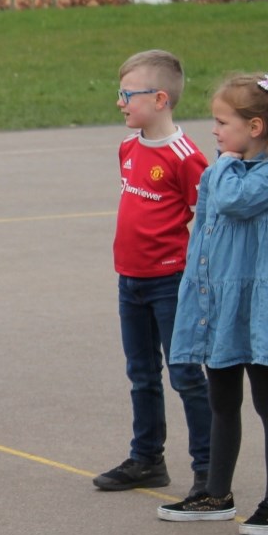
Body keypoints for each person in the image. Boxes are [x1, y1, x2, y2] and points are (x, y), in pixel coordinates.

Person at [158, 72, 268, 535]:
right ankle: (216, 493)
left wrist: (223, 162)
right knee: (223, 401)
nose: (216, 131)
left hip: (253, 306)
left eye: (223, 122)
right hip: (216, 302)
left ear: (254, 128)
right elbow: (203, 225)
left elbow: (233, 201)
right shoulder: (219, 169)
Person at [94, 50, 212, 493]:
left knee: (184, 374)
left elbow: (207, 222)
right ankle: (147, 458)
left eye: (128, 94)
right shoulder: (127, 146)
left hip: (170, 282)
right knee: (141, 373)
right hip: (131, 279)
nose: (120, 102)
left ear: (160, 98)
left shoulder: (186, 157)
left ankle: (207, 467)